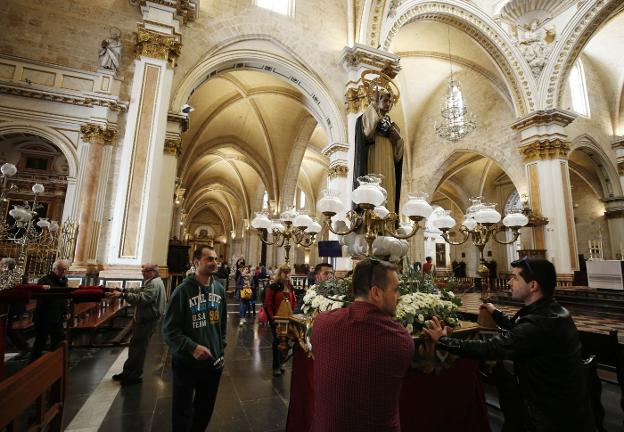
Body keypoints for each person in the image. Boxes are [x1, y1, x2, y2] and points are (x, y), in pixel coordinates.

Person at [424, 257, 594, 432]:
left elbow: (491, 348)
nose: (509, 281)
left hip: (550, 418)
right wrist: (496, 313)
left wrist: (443, 340)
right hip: (564, 408)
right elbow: (521, 331)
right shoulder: (553, 311)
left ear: (533, 285)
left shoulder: (537, 324)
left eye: (515, 278)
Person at [311, 258, 413, 431]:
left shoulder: (321, 323)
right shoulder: (399, 339)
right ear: (376, 293)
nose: (399, 296)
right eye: (395, 290)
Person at [162, 246, 227, 432]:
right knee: (182, 410)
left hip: (213, 362)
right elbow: (169, 330)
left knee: (205, 408)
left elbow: (222, 323)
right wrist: (192, 347)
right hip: (187, 362)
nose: (214, 262)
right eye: (209, 259)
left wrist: (221, 346)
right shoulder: (182, 291)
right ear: (196, 262)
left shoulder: (219, 289)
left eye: (215, 259)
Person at [111, 263, 166, 385]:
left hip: (148, 320)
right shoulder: (153, 282)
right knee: (135, 346)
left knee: (139, 348)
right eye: (143, 270)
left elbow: (143, 299)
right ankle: (128, 372)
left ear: (153, 272)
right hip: (146, 318)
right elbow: (141, 290)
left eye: (145, 271)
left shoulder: (154, 283)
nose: (143, 273)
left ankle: (134, 375)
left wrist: (123, 295)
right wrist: (124, 290)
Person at [353, 86, 404, 213]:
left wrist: (398, 140)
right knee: (375, 186)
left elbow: (397, 156)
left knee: (388, 187)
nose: (389, 104)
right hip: (374, 156)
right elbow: (367, 132)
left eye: (390, 101)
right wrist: (374, 104)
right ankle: (371, 220)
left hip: (389, 162)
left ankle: (388, 221)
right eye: (385, 100)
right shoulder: (367, 117)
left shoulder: (392, 126)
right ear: (377, 100)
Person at [30, 259, 70, 363]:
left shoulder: (64, 280)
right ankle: (32, 365)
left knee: (58, 340)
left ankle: (56, 363)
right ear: (54, 269)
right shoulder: (44, 280)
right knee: (40, 342)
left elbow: (63, 298)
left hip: (57, 317)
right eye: (62, 270)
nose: (64, 272)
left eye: (66, 270)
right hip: (44, 317)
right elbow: (37, 294)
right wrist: (43, 289)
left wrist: (66, 311)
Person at [264, 264, 296, 377]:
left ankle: (282, 362)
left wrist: (294, 315)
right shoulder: (273, 286)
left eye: (288, 272)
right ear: (280, 273)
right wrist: (273, 320)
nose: (287, 274)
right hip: (277, 320)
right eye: (284, 272)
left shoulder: (290, 286)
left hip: (289, 319)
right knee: (278, 342)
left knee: (287, 341)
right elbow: (267, 304)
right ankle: (276, 366)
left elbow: (293, 301)